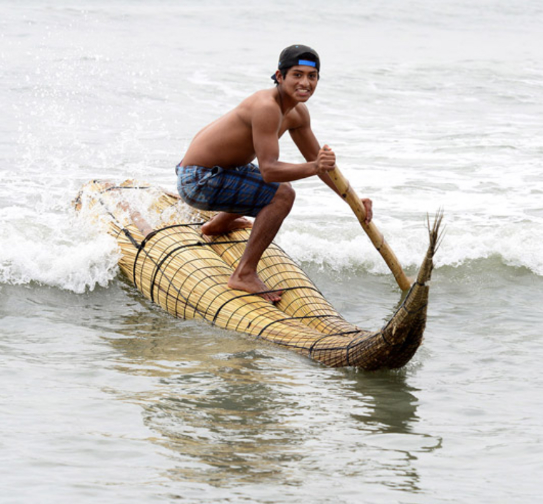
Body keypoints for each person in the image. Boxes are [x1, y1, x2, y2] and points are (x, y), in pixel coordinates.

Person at [176, 44, 373, 302]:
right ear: (279, 77)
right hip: (197, 179)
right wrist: (315, 166)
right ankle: (243, 274)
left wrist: (354, 201)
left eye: (311, 76)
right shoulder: (266, 107)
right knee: (282, 195)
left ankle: (218, 224)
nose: (305, 83)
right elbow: (270, 171)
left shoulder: (298, 113)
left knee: (269, 183)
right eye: (297, 75)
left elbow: (320, 165)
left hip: (221, 171)